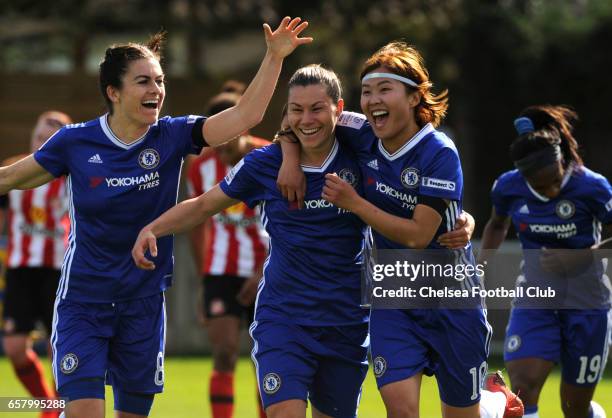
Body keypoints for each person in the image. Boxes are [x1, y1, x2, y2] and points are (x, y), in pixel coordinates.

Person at [0, 17, 311, 418]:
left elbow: (244, 117)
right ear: (113, 91)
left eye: (160, 80)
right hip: (84, 301)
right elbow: (8, 178)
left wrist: (273, 57)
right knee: (82, 412)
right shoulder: (75, 142)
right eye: (144, 81)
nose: (157, 90)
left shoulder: (172, 135)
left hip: (144, 303)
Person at [133, 64, 475, 418]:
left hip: (346, 322)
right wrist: (153, 228)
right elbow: (204, 205)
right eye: (297, 109)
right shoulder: (265, 164)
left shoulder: (362, 150)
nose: (306, 119)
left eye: (316, 109)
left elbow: (411, 182)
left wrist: (461, 217)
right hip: (285, 318)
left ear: (339, 111)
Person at [276, 44, 523, 418]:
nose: (373, 100)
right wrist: (291, 161)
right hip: (394, 297)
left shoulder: (439, 152)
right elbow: (299, 119)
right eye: (367, 91)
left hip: (452, 301)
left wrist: (355, 203)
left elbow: (418, 236)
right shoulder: (360, 132)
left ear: (413, 97)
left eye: (385, 90)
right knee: (402, 411)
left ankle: (492, 405)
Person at [481, 105, 611, 418]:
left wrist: (581, 257)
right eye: (540, 187)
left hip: (588, 300)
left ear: (561, 161)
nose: (550, 191)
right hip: (536, 296)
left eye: (554, 181)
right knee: (522, 388)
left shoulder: (592, 187)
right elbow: (497, 224)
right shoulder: (508, 187)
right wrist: (480, 267)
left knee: (574, 407)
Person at [186, 88, 269, 418]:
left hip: (268, 270)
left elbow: (288, 221)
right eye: (214, 136)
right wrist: (204, 278)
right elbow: (197, 223)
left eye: (227, 136)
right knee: (224, 351)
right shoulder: (199, 169)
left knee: (267, 356)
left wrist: (263, 270)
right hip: (221, 271)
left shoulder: (270, 157)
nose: (219, 146)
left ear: (243, 127)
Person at [1, 111, 72, 418]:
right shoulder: (11, 170)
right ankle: (49, 407)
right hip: (20, 270)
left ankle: (62, 409)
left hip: (59, 271)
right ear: (32, 136)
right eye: (41, 136)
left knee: (61, 349)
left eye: (53, 137)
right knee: (15, 347)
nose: (44, 141)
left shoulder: (73, 177)